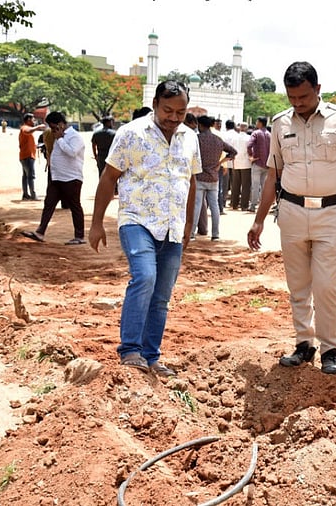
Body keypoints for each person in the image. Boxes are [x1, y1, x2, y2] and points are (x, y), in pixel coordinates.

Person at [247, 61, 336, 375]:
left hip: (330, 213)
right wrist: (259, 219)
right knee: (298, 285)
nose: (298, 104)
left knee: (326, 285)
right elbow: (274, 173)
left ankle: (331, 348)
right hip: (290, 212)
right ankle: (305, 344)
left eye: (303, 97)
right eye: (292, 98)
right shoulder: (279, 123)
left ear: (317, 89)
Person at [88, 80, 200, 377]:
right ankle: (130, 350)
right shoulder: (130, 133)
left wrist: (189, 223)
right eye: (168, 110)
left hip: (173, 227)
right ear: (154, 103)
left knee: (162, 294)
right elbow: (109, 178)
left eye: (181, 111)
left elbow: (191, 181)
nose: (174, 118)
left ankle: (151, 356)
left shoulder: (190, 137)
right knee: (145, 276)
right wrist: (97, 223)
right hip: (137, 220)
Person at [21, 111, 86, 245]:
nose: (52, 129)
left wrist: (60, 139)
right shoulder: (55, 136)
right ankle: (40, 232)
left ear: (61, 124)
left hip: (71, 178)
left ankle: (79, 236)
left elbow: (72, 152)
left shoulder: (74, 137)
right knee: (49, 204)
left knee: (75, 206)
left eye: (53, 126)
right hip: (56, 177)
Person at [193, 115, 236, 240]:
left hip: (200, 176)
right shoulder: (218, 140)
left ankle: (191, 234)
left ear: (200, 125)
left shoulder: (197, 139)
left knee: (197, 205)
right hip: (214, 177)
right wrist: (220, 162)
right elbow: (233, 152)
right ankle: (215, 234)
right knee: (215, 207)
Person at [18, 113, 47, 201]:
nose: (34, 121)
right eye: (33, 120)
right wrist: (38, 127)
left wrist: (36, 146)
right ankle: (33, 195)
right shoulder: (25, 128)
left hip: (25, 155)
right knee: (30, 176)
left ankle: (26, 194)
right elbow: (28, 131)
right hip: (28, 156)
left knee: (26, 176)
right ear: (28, 120)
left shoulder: (26, 128)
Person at [247, 116, 270, 213]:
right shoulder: (270, 134)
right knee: (264, 186)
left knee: (255, 186)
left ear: (260, 123)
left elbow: (249, 145)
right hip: (267, 164)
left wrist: (251, 156)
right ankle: (263, 206)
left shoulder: (256, 133)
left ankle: (253, 206)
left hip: (257, 162)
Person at [229, 121, 252, 211]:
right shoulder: (248, 138)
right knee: (245, 186)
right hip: (246, 163)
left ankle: (234, 204)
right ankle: (244, 205)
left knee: (235, 185)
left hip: (236, 163)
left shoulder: (234, 138)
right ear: (246, 128)